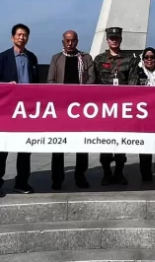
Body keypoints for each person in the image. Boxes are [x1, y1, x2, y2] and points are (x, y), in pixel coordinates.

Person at [0, 24, 39, 197]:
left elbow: (38, 83)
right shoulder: (3, 57)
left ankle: (22, 182)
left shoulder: (32, 57)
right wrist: (5, 86)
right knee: (2, 149)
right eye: (18, 35)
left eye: (24, 35)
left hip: (27, 110)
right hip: (8, 110)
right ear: (12, 38)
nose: (21, 38)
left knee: (25, 149)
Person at [48, 30, 96, 190]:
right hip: (61, 109)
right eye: (67, 40)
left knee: (82, 145)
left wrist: (79, 94)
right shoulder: (56, 59)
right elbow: (50, 81)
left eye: (73, 40)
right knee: (58, 144)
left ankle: (80, 176)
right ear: (63, 42)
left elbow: (92, 79)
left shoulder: (86, 58)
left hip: (81, 108)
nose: (70, 43)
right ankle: (57, 178)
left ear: (77, 41)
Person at [93, 26, 136, 185]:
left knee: (120, 143)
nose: (114, 40)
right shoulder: (99, 59)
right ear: (107, 40)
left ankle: (119, 172)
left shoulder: (129, 60)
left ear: (120, 39)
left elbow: (132, 83)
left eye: (116, 38)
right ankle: (106, 173)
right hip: (104, 109)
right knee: (105, 142)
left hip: (122, 109)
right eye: (111, 38)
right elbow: (93, 82)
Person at [129, 47, 155, 182]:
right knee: (145, 148)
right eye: (146, 57)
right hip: (143, 116)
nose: (149, 60)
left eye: (152, 57)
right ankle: (146, 175)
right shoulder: (137, 73)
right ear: (143, 59)